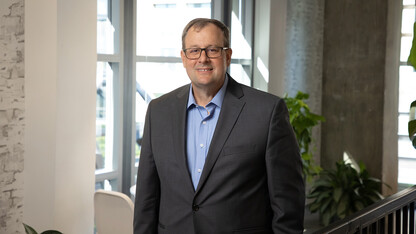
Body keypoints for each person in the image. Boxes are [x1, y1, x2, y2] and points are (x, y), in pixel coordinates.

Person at [134, 18, 305, 234]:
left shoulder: (268, 111)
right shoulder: (158, 111)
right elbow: (146, 199)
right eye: (194, 51)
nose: (202, 59)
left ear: (228, 55)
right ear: (184, 58)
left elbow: (288, 204)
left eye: (212, 50)